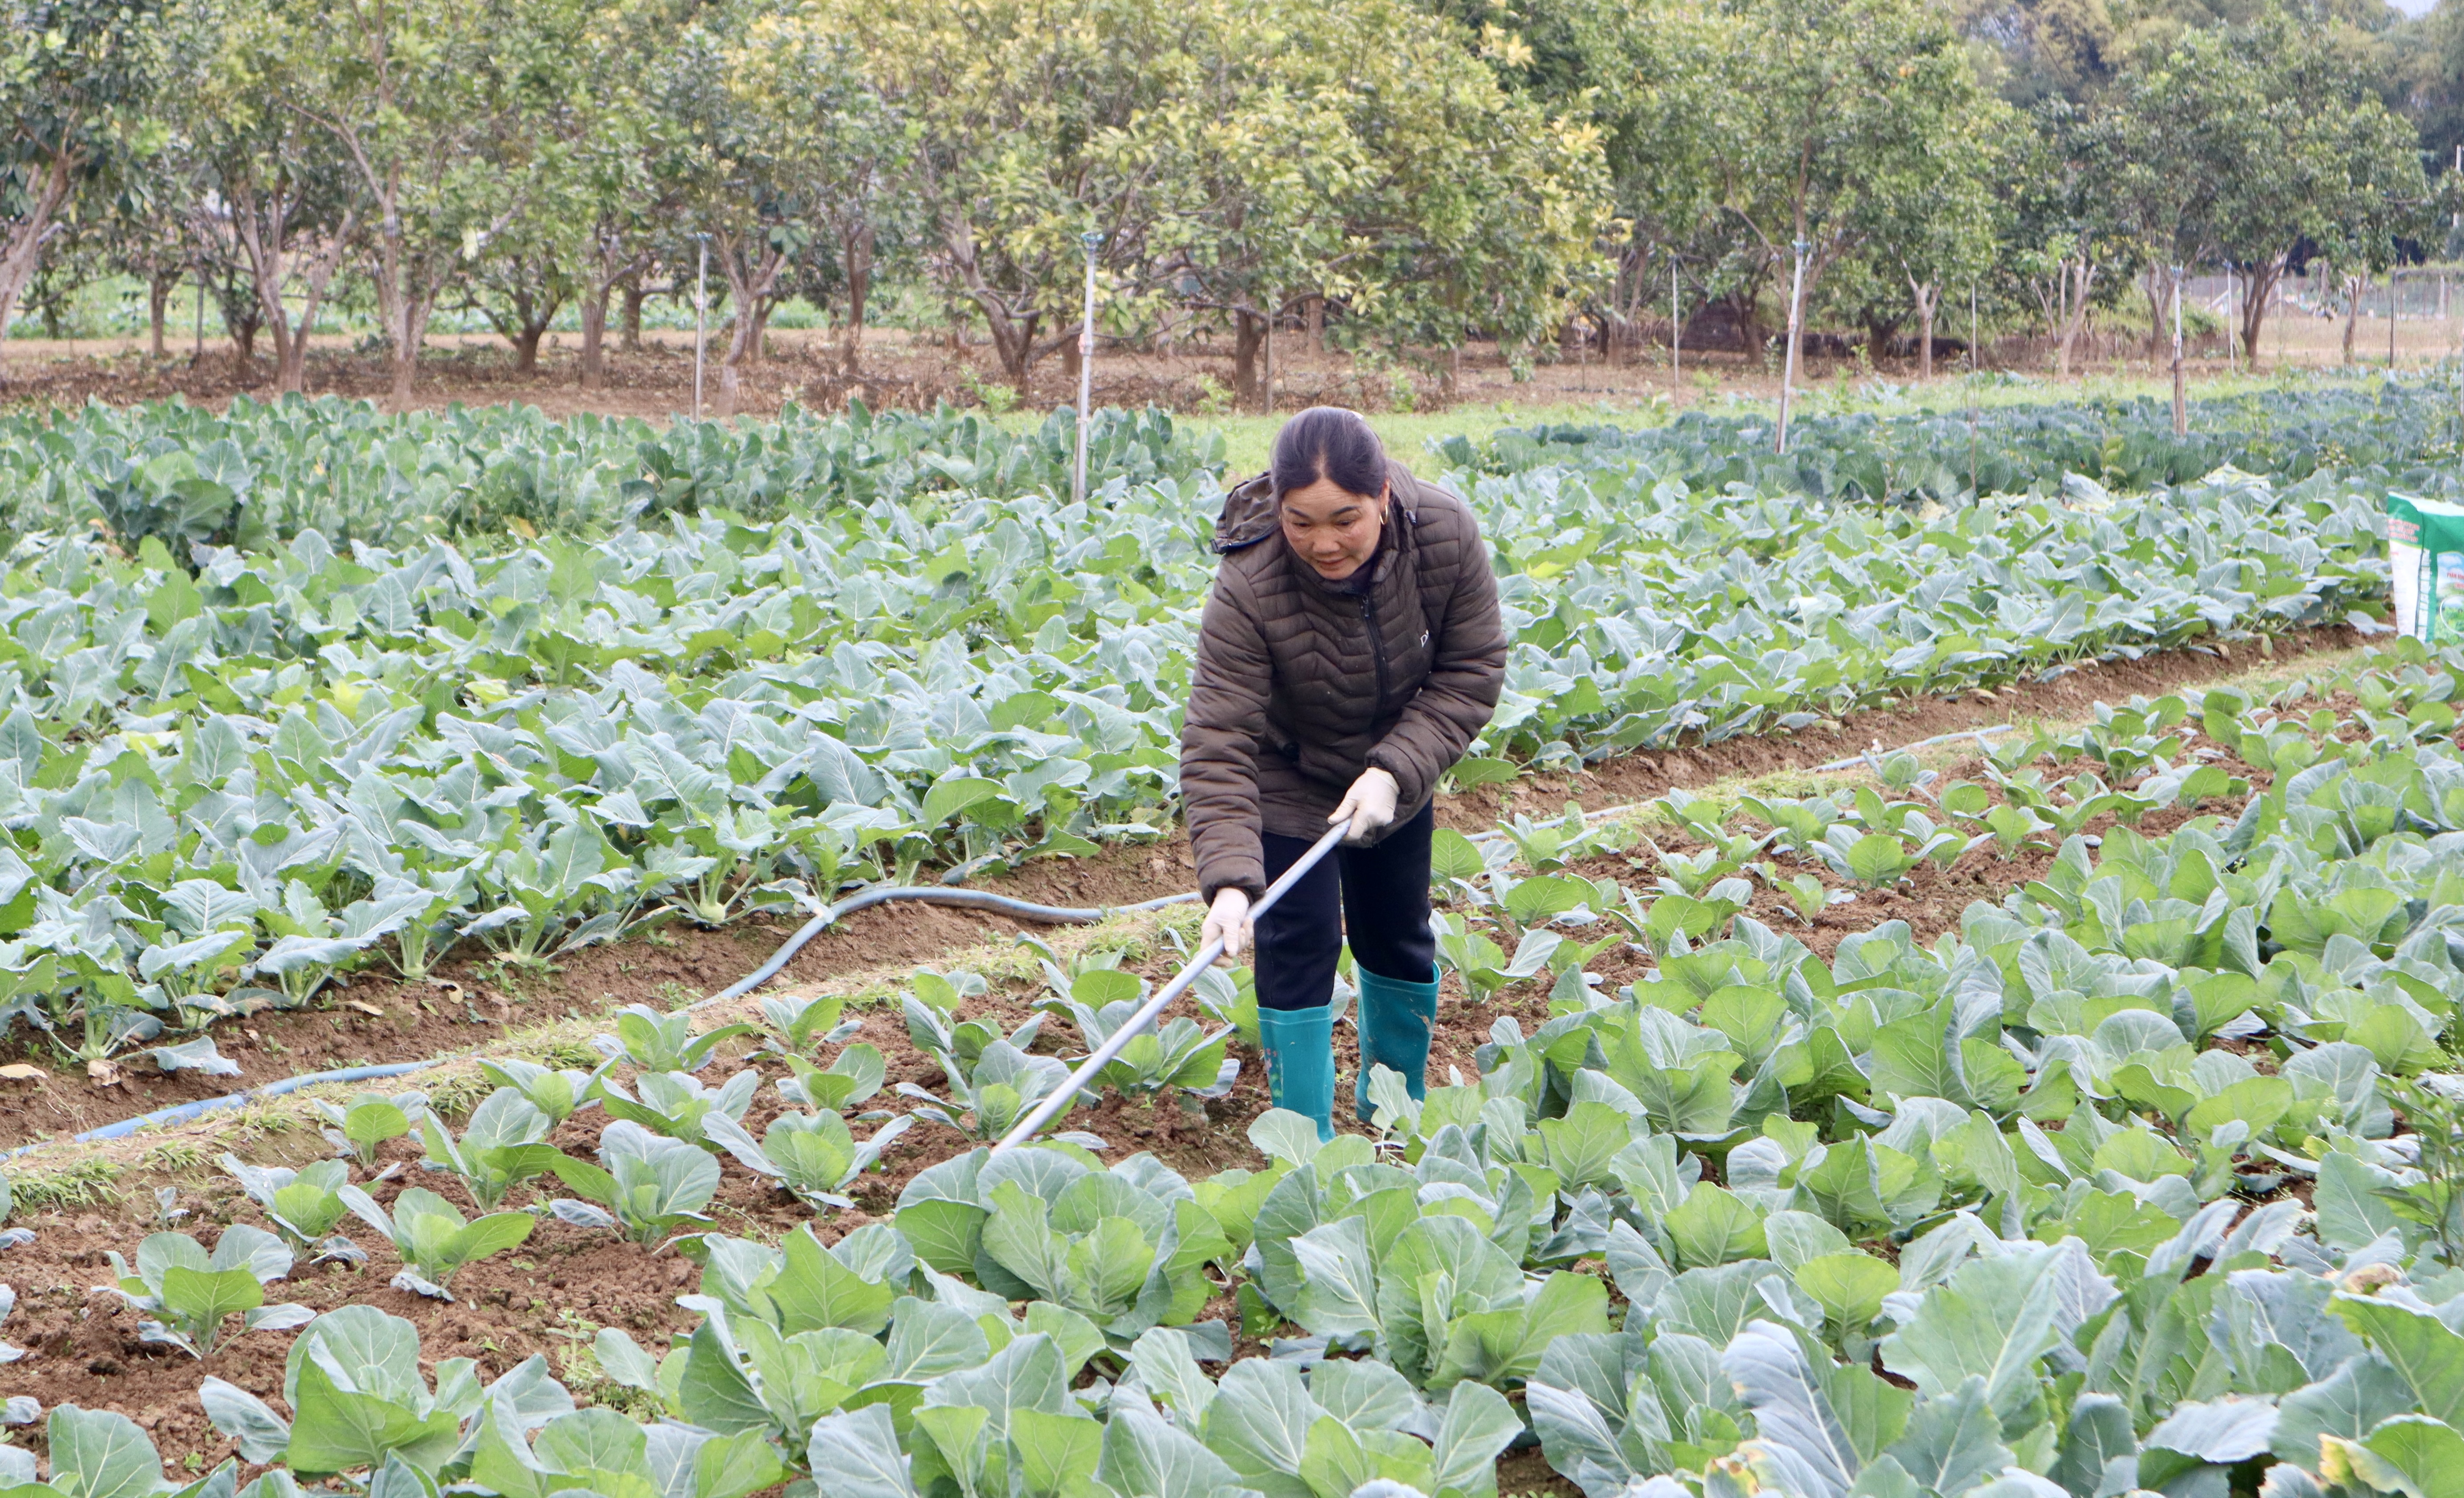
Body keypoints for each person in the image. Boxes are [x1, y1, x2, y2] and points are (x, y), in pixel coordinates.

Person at [1179, 406, 1507, 1140]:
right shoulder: (1249, 583)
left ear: (1384, 495)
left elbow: (1473, 668)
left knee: (1397, 934)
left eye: (1345, 520)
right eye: (1301, 522)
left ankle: (1397, 1115)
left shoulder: (1445, 535)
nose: (1323, 543)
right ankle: (1305, 1145)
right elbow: (1220, 734)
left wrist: (1396, 769)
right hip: (1287, 781)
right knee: (1296, 947)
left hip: (1396, 763)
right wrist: (1231, 881)